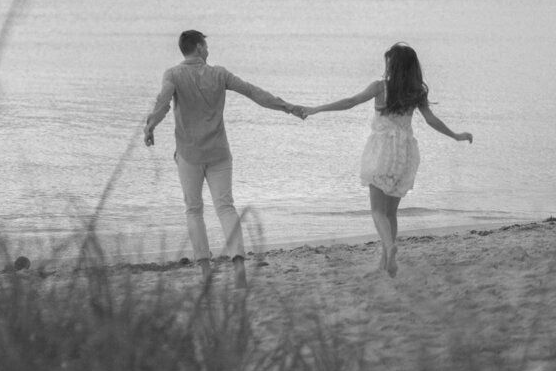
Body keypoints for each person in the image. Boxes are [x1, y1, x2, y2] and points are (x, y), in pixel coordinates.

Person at [144, 29, 305, 289]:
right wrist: (287, 107)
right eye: (205, 46)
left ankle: (206, 272)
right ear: (197, 48)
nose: (208, 50)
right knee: (225, 207)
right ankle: (239, 266)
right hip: (219, 153)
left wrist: (150, 126)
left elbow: (162, 102)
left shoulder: (173, 74)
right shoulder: (220, 74)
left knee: (194, 210)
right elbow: (255, 93)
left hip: (189, 155)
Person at [299, 43, 473, 278]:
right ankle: (386, 263)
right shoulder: (417, 92)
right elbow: (431, 121)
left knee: (377, 211)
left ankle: (390, 248)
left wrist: (316, 108)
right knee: (390, 213)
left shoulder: (380, 87)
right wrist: (456, 136)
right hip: (405, 153)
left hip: (382, 151)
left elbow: (350, 102)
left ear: (392, 64)